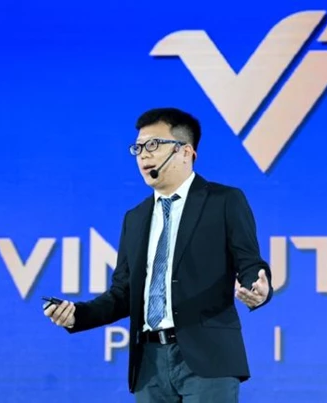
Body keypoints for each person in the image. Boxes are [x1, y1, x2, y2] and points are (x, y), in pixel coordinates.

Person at [43, 107, 273, 402]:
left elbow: (250, 262)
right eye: (138, 147)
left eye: (153, 145)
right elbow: (123, 293)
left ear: (186, 152)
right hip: (149, 364)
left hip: (208, 359)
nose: (143, 155)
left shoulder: (224, 200)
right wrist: (78, 315)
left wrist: (258, 289)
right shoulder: (135, 218)